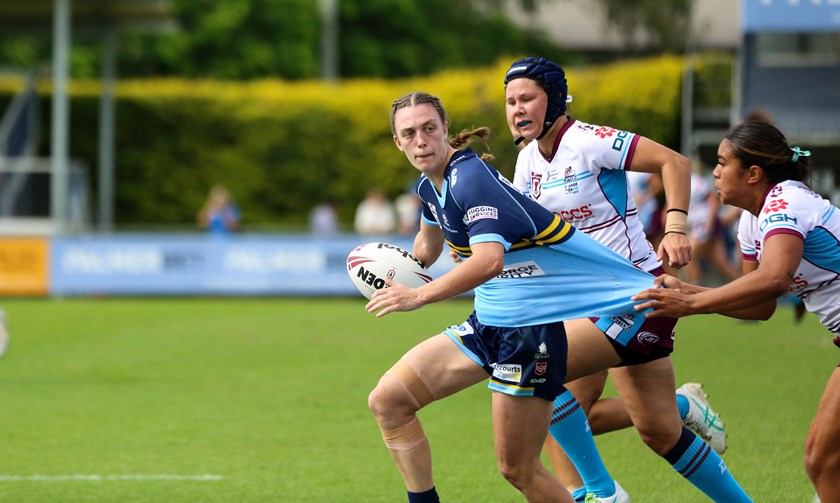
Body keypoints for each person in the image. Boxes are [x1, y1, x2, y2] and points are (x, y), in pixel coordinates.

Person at [366, 91, 751, 503]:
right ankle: (605, 485)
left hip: (539, 328)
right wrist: (387, 268)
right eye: (410, 133)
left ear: (445, 129)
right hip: (495, 321)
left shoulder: (471, 178)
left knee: (521, 467)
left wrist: (419, 296)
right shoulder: (432, 186)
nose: (421, 140)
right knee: (388, 401)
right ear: (398, 142)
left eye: (429, 128)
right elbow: (427, 246)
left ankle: (601, 490)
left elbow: (489, 261)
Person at [503, 57, 749, 502]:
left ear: (554, 99)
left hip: (635, 296)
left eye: (527, 98)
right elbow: (528, 233)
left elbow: (673, 162)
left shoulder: (590, 141)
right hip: (584, 303)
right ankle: (683, 410)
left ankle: (601, 493)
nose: (517, 109)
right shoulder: (526, 162)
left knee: (536, 372)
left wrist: (676, 226)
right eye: (510, 101)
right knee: (658, 431)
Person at [632, 120, 840, 502]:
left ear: (753, 173)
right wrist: (689, 291)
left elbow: (775, 278)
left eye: (722, 162)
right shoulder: (751, 220)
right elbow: (760, 305)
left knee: (822, 459)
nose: (714, 172)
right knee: (824, 460)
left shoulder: (785, 202)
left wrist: (692, 303)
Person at [683, 166, 740, 286]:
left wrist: (709, 225)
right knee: (721, 264)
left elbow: (712, 201)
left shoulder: (695, 181)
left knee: (689, 255)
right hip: (698, 225)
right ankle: (746, 287)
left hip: (703, 224)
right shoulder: (678, 183)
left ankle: (695, 290)